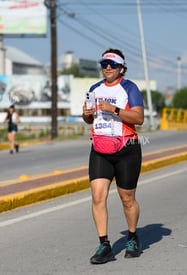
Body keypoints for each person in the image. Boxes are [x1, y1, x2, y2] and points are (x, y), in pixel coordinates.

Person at [82, 48, 144, 264]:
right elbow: (89, 119)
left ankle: (133, 236)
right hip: (100, 149)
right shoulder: (94, 88)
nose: (107, 68)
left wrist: (114, 109)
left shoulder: (129, 88)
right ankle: (104, 244)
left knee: (127, 198)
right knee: (98, 197)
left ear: (121, 67)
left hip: (127, 149)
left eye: (112, 64)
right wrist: (86, 114)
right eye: (104, 64)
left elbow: (139, 118)